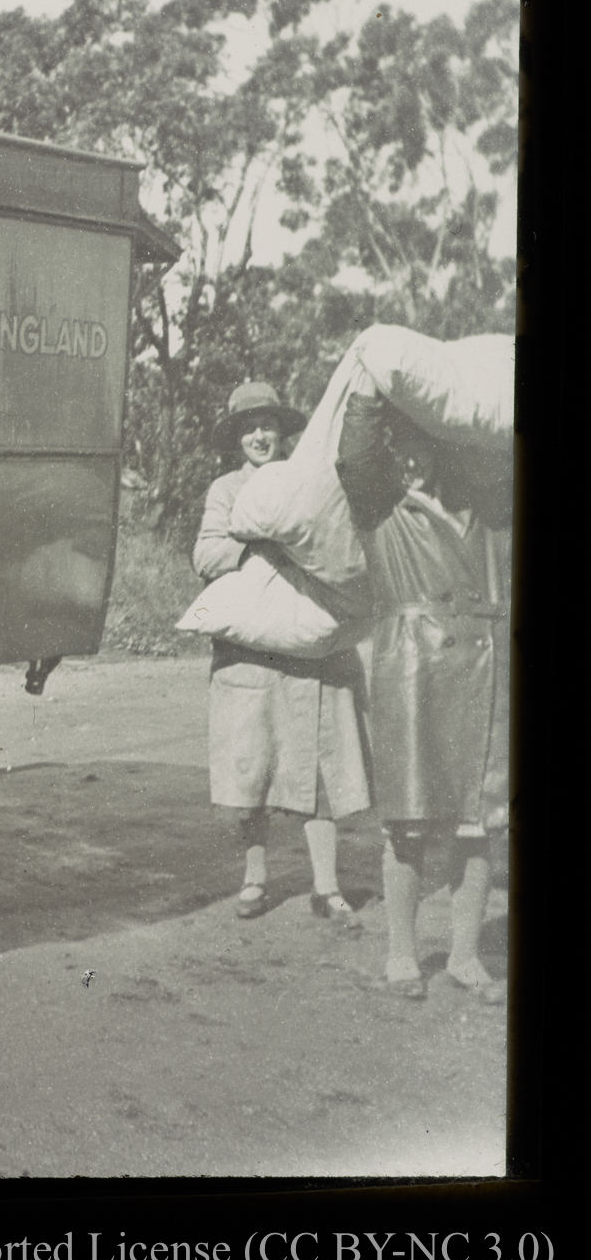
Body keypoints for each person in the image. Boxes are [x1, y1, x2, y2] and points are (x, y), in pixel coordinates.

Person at [336, 394, 511, 1003]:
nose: (410, 461)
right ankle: (402, 957)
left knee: (479, 824)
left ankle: (464, 957)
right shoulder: (380, 508)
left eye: (422, 446)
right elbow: (354, 458)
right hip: (413, 671)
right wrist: (367, 396)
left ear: (442, 448)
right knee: (409, 825)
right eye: (400, 449)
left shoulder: (488, 506)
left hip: (487, 668)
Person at [194, 382, 372, 925]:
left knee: (318, 765)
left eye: (267, 425)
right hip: (251, 650)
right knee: (255, 765)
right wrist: (259, 540)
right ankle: (254, 878)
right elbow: (205, 554)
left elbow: (342, 542)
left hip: (310, 641)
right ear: (236, 439)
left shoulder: (308, 483)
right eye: (248, 428)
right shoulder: (226, 490)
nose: (259, 436)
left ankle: (327, 885)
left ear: (282, 430)